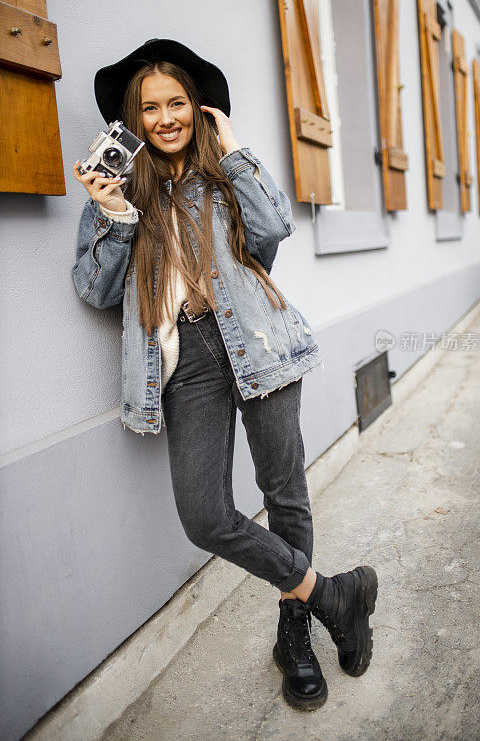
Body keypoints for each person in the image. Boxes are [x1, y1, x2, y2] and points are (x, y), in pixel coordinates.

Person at [71, 38, 378, 711]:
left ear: (198, 109)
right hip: (185, 364)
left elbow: (272, 233)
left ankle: (292, 635)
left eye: (177, 102)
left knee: (283, 493)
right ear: (131, 119)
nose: (164, 117)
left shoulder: (223, 175)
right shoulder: (119, 192)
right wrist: (113, 215)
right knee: (204, 515)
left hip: (259, 343)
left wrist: (233, 148)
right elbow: (94, 291)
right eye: (148, 108)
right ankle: (330, 595)